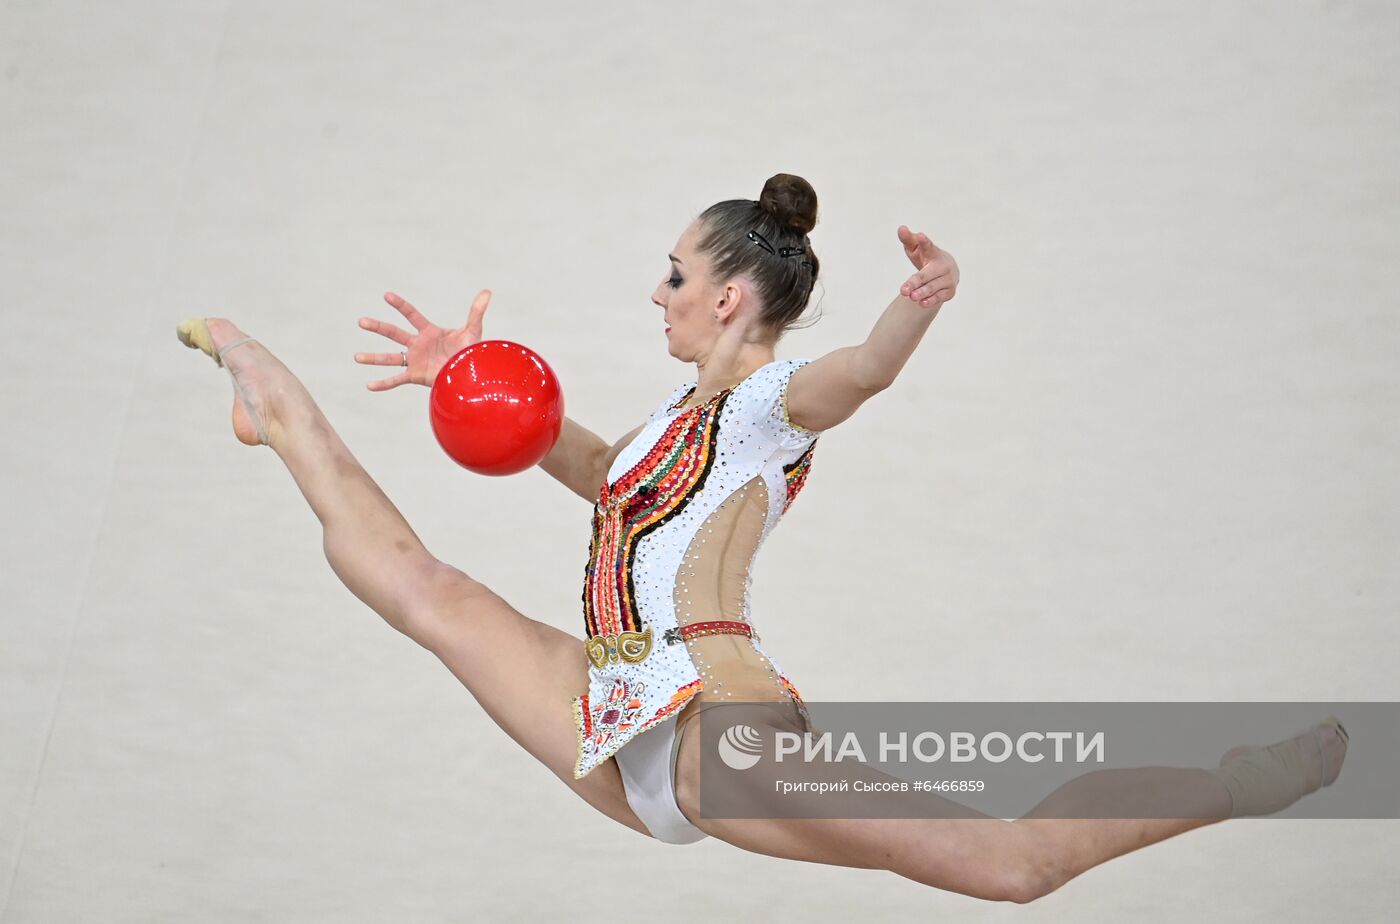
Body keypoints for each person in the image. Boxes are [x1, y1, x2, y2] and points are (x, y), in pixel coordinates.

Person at [177, 173, 1347, 903]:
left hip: (714, 721)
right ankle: (265, 388)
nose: (658, 295)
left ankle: (1231, 781)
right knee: (420, 589)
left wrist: (917, 302)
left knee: (1010, 868)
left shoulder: (767, 405)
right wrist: (467, 381)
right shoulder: (671, 426)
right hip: (617, 703)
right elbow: (598, 475)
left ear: (729, 296)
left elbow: (863, 375)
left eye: (673, 274)